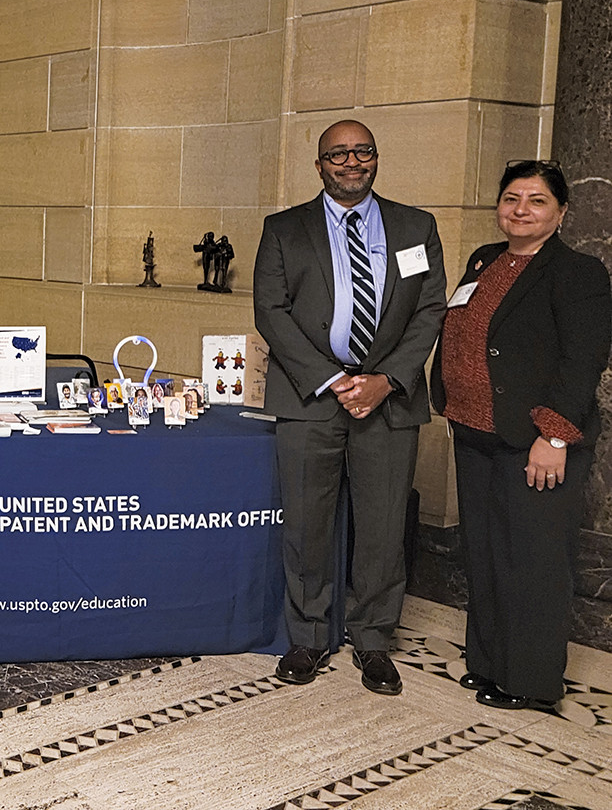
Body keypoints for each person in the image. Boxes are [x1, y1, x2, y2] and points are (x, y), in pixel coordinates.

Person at [253, 120, 446, 696]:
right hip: (311, 399)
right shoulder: (284, 228)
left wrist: (386, 379)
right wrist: (336, 380)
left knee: (384, 526)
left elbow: (430, 310)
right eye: (338, 154)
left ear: (376, 159)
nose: (352, 162)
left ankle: (373, 640)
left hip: (389, 402)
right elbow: (271, 312)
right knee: (307, 525)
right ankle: (308, 635)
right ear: (320, 166)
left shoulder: (416, 227)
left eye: (363, 151)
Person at [430, 160, 610, 710]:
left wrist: (553, 436)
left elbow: (583, 362)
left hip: (534, 439)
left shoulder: (578, 273)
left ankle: (530, 681)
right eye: (512, 198)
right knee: (483, 553)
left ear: (561, 212)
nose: (521, 210)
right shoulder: (484, 260)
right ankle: (488, 663)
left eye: (536, 200)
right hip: (476, 431)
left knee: (531, 560)